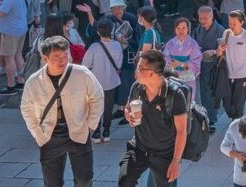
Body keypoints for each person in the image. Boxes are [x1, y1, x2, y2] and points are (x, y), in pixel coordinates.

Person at [20, 35, 104, 187]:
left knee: (84, 180)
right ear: (45, 58)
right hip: (49, 134)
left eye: (65, 55)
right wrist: (37, 133)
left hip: (78, 130)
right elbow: (26, 108)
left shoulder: (82, 73)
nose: (63, 60)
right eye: (57, 56)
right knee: (52, 183)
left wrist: (91, 125)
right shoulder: (34, 81)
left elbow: (97, 97)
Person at [119, 49, 188, 187]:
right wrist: (129, 116)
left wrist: (175, 161)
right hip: (139, 147)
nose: (136, 71)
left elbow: (181, 131)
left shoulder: (174, 95)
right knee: (124, 181)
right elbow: (127, 108)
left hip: (164, 154)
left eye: (139, 68)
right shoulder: (137, 87)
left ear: (151, 73)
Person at [81, 18, 122, 143]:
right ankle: (107, 131)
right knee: (108, 107)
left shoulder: (94, 47)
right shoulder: (117, 45)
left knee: (96, 107)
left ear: (98, 32)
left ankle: (97, 132)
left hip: (96, 82)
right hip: (112, 81)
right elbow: (119, 64)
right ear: (112, 30)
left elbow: (85, 64)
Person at [0, 0, 30, 93]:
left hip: (10, 30)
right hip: (22, 27)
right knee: (18, 55)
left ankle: (11, 85)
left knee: (9, 58)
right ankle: (21, 81)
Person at [216, 10, 246, 123]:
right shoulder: (226, 33)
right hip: (227, 75)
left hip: (242, 76)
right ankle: (234, 119)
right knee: (227, 105)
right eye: (230, 23)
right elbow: (220, 54)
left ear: (241, 22)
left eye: (234, 23)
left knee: (239, 105)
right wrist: (219, 50)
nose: (231, 26)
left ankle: (237, 126)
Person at [192, 5, 226, 132]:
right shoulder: (197, 30)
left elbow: (226, 48)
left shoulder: (220, 30)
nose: (202, 21)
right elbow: (192, 45)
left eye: (205, 18)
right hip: (202, 65)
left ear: (212, 17)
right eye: (200, 18)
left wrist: (214, 51)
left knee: (214, 92)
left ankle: (211, 118)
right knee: (204, 92)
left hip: (217, 65)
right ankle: (207, 117)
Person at [162, 16, 202, 96]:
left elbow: (196, 61)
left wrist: (181, 64)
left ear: (188, 29)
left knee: (187, 98)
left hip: (187, 77)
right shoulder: (170, 43)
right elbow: (165, 57)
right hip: (173, 76)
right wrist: (171, 64)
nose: (181, 30)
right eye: (178, 28)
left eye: (184, 28)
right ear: (175, 30)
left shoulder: (193, 44)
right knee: (172, 98)